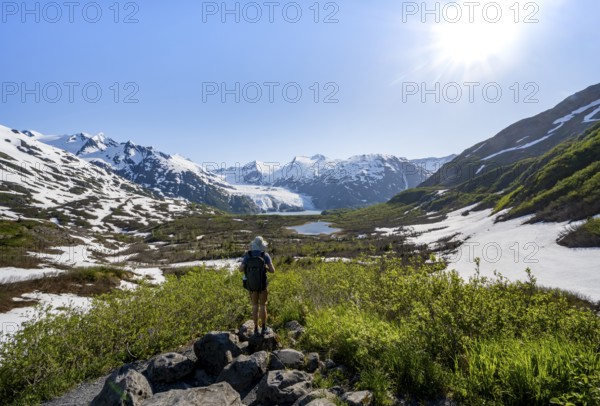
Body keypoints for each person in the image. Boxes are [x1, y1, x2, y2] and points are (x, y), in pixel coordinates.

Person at [239, 236, 275, 335]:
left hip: (252, 285)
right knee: (263, 305)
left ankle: (255, 328)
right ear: (262, 246)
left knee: (254, 306)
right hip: (263, 285)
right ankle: (263, 327)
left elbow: (240, 269)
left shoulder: (248, 255)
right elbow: (272, 271)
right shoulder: (265, 255)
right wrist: (266, 267)